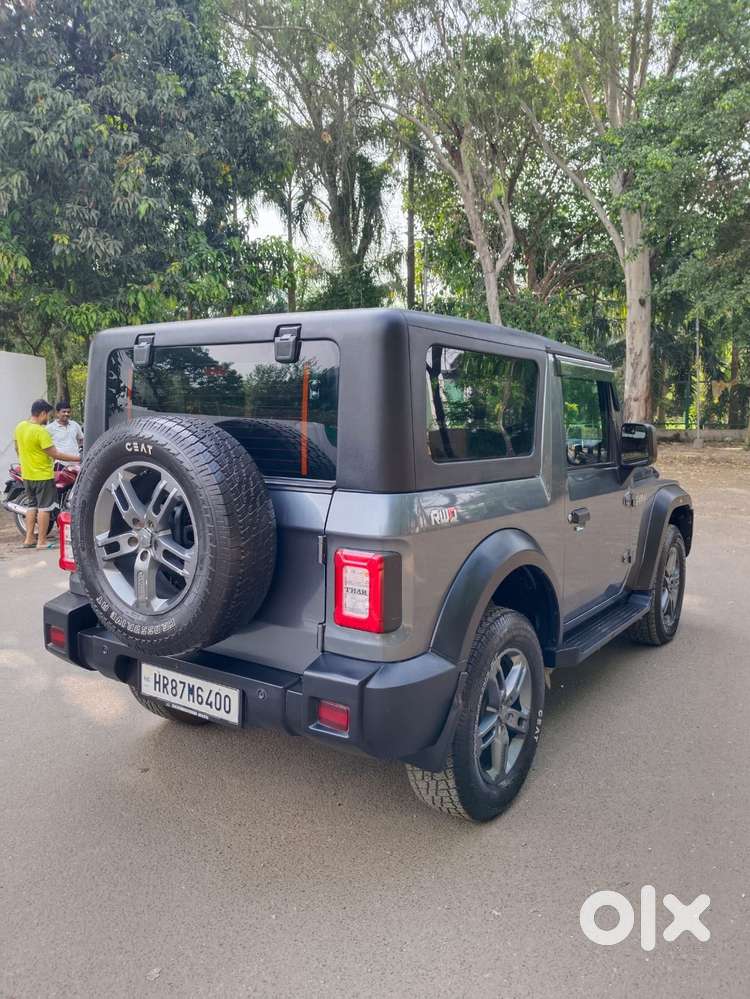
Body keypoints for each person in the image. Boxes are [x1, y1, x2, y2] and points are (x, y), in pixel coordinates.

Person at [14, 399, 80, 550]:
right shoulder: (40, 431)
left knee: (32, 506)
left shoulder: (20, 427)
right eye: (47, 415)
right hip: (42, 476)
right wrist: (79, 458)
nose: (47, 419)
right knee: (44, 508)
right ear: (42, 413)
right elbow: (56, 454)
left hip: (27, 475)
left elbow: (17, 448)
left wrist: (26, 462)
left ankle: (29, 539)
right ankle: (42, 541)